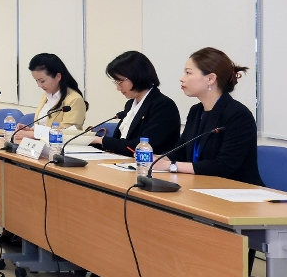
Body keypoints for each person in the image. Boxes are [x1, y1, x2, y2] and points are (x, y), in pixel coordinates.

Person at [154, 48, 262, 186]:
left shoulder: (238, 115)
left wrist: (171, 166)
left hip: (235, 189)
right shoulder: (196, 111)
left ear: (211, 79)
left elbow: (223, 166)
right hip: (200, 185)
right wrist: (157, 159)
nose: (182, 78)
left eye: (188, 73)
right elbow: (181, 152)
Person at [89, 51, 180, 157]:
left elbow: (143, 146)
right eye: (116, 83)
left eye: (120, 82)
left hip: (150, 165)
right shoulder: (130, 104)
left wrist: (100, 140)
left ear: (136, 76)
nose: (118, 88)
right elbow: (120, 142)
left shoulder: (163, 106)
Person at [12, 53, 87, 140]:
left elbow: (69, 133)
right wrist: (30, 130)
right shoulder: (46, 95)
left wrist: (33, 134)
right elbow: (45, 125)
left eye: (42, 81)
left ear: (58, 77)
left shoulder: (74, 100)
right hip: (41, 145)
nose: (39, 85)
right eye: (36, 81)